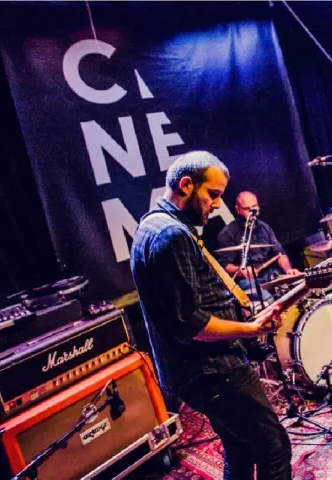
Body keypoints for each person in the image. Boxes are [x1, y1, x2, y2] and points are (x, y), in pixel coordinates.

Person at [130, 151, 291, 480]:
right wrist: (251, 328)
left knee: (239, 446)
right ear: (186, 185)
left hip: (191, 371)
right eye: (213, 194)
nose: (218, 204)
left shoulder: (153, 224)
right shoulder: (171, 235)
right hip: (213, 370)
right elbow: (192, 324)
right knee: (274, 448)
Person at [215, 191, 300, 302]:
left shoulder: (265, 228)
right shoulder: (227, 234)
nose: (252, 212)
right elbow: (224, 266)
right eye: (247, 209)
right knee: (268, 300)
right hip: (247, 280)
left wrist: (288, 270)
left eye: (254, 208)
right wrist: (240, 270)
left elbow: (280, 253)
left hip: (270, 274)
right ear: (238, 209)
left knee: (295, 290)